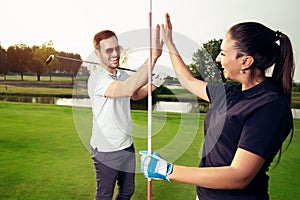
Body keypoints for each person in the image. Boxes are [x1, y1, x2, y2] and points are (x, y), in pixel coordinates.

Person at [140, 13, 295, 199]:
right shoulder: (230, 93)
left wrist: (167, 170)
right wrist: (169, 45)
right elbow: (188, 81)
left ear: (245, 61)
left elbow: (239, 176)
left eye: (223, 53)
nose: (217, 59)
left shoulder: (270, 105)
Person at [88, 26, 165, 200]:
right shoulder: (97, 79)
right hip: (107, 150)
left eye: (117, 48)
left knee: (127, 191)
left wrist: (154, 84)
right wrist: (152, 57)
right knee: (104, 195)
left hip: (126, 145)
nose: (115, 54)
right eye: (109, 50)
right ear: (97, 53)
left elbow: (135, 94)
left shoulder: (121, 75)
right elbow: (128, 89)